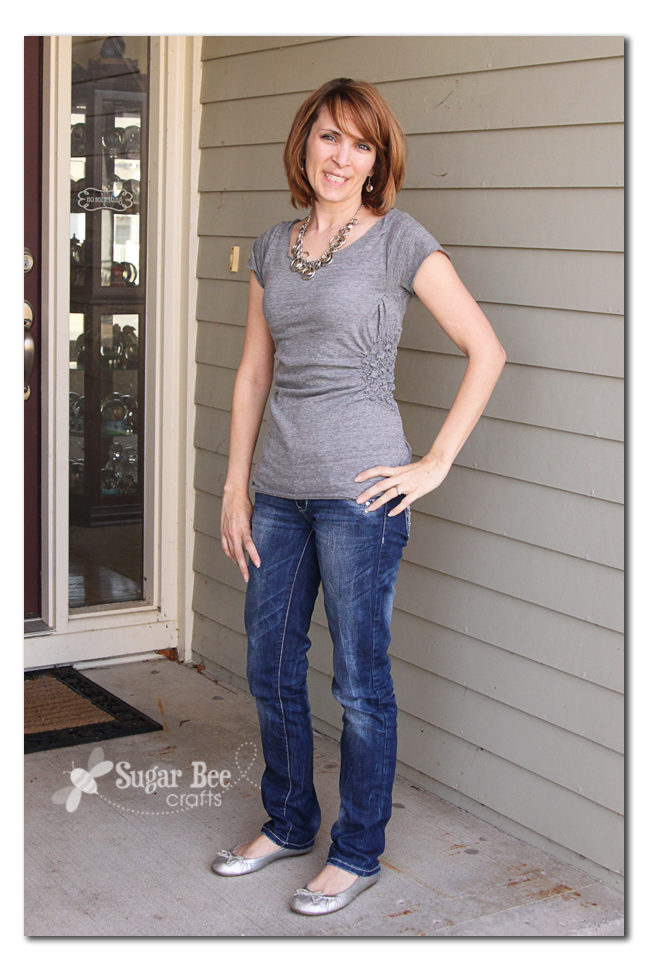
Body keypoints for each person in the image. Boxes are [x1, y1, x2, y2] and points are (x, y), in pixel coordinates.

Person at [212, 78, 506, 916]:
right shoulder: (273, 247)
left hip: (361, 498)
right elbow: (254, 373)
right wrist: (234, 488)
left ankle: (357, 850)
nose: (341, 157)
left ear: (378, 159)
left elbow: (486, 350)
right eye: (329, 137)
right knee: (270, 667)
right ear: (304, 143)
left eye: (361, 144)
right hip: (278, 492)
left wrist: (434, 462)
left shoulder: (400, 240)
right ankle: (289, 822)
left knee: (358, 681)